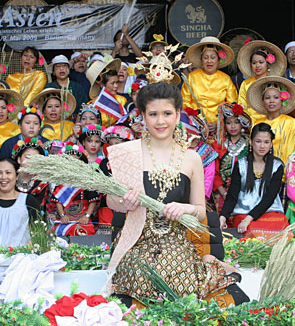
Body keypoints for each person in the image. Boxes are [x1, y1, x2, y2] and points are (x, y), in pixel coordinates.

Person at [105, 82, 245, 304]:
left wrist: (186, 208)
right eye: (153, 114)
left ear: (178, 115)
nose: (161, 121)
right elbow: (110, 199)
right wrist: (123, 202)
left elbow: (200, 211)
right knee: (142, 279)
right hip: (137, 242)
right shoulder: (127, 153)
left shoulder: (192, 158)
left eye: (167, 113)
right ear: (142, 116)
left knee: (182, 286)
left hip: (176, 240)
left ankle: (208, 264)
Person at [219, 123, 287, 238]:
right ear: (251, 142)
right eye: (258, 141)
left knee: (282, 236)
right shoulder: (241, 165)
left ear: (271, 144)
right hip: (243, 212)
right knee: (252, 236)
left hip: (270, 211)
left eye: (266, 142)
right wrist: (222, 217)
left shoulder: (277, 166)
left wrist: (248, 219)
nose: (262, 146)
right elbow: (232, 195)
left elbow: (269, 198)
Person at [0, 158, 40, 247]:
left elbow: (38, 232)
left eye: (8, 173)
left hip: (21, 257)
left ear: (17, 176)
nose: (3, 177)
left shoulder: (28, 201)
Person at [182, 37, 238, 136]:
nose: (209, 61)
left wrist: (218, 122)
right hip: (195, 127)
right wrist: (199, 121)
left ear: (218, 59)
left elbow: (232, 105)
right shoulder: (192, 77)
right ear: (201, 59)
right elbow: (184, 102)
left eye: (213, 57)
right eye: (206, 57)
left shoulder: (226, 79)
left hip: (219, 130)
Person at [246, 76, 295, 165]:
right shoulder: (257, 122)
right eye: (267, 98)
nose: (271, 101)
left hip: (283, 170)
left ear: (282, 100)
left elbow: (291, 150)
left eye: (276, 97)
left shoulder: (290, 122)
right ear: (263, 102)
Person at [212, 103, 251, 213]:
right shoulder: (218, 145)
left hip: (244, 191)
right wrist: (223, 192)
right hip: (222, 191)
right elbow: (214, 173)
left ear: (242, 124)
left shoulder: (250, 145)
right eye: (229, 123)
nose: (233, 126)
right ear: (224, 124)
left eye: (236, 122)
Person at [52, 144, 98, 236]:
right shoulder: (61, 182)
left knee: (85, 231)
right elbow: (58, 201)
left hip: (83, 220)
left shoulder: (87, 181)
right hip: (67, 220)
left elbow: (93, 201)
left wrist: (87, 216)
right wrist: (62, 216)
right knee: (56, 232)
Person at [237, 41, 286, 125]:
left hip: (272, 122)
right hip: (250, 123)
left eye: (261, 62)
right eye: (254, 63)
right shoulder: (246, 83)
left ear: (267, 64)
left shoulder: (275, 82)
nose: (257, 66)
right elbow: (242, 106)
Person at [183, 108, 218, 201]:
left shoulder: (206, 150)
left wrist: (202, 198)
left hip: (199, 196)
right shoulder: (177, 147)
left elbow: (209, 177)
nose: (187, 134)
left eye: (190, 131)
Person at [87, 57, 127, 127]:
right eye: (112, 83)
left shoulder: (122, 100)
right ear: (102, 85)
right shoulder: (91, 105)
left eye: (117, 82)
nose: (116, 86)